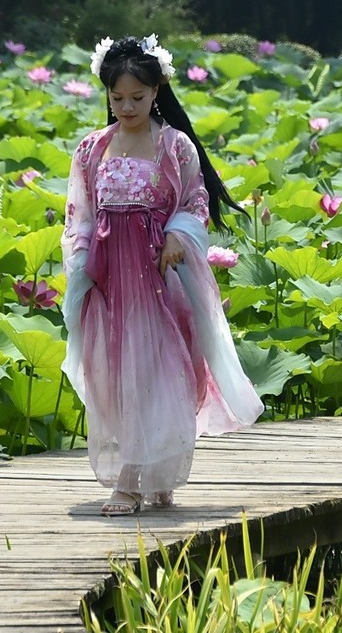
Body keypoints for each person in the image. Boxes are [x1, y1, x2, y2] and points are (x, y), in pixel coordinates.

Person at [61, 35, 264, 516]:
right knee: (117, 375)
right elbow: (80, 213)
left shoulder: (176, 146)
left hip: (157, 274)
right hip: (110, 276)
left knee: (157, 372)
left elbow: (195, 200)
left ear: (157, 92)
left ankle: (137, 480)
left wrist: (177, 234)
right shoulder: (91, 150)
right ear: (106, 94)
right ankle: (138, 474)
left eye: (137, 96)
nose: (126, 106)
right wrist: (82, 263)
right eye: (117, 98)